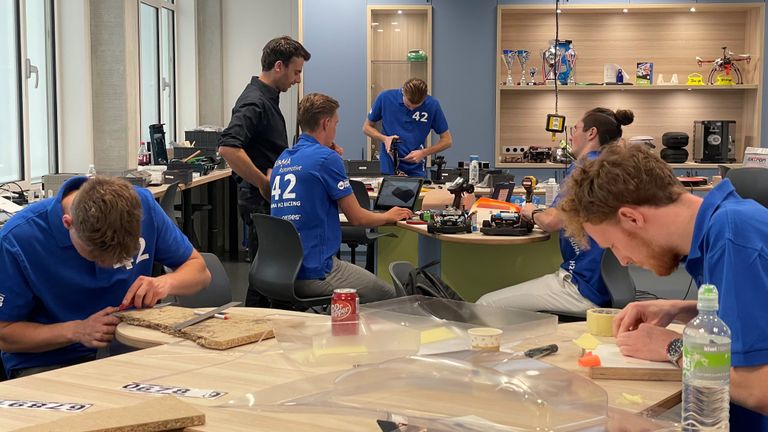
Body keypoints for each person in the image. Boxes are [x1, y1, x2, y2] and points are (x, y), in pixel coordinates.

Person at [557, 143, 768, 429]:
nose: (622, 260)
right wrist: (680, 310)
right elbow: (750, 321)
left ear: (632, 218)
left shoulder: (732, 237)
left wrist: (673, 347)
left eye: (614, 245)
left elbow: (759, 390)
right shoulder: (726, 225)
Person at [0, 176, 211, 379]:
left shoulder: (142, 204)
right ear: (68, 223)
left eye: (123, 257)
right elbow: (5, 334)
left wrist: (164, 283)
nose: (112, 267)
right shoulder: (17, 239)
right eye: (97, 256)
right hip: (51, 359)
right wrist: (77, 331)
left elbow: (199, 271)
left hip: (131, 345)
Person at [477, 108, 635, 313]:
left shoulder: (586, 168)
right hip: (605, 286)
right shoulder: (610, 167)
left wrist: (532, 212)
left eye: (575, 129)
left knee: (484, 305)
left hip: (582, 287)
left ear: (591, 133)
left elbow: (552, 222)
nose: (571, 136)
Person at [271, 93, 412, 303]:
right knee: (391, 297)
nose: (336, 130)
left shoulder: (283, 158)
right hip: (317, 271)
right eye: (336, 124)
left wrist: (330, 156)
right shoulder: (325, 158)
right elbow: (358, 219)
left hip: (281, 270)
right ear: (326, 123)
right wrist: (389, 216)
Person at [219, 36, 318, 307]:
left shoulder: (268, 99)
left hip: (268, 201)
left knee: (268, 277)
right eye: (296, 72)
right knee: (265, 279)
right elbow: (228, 148)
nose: (297, 79)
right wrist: (263, 182)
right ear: (278, 66)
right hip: (259, 201)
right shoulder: (255, 102)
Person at [362, 78, 452, 177]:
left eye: (417, 106)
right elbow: (366, 127)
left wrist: (423, 153)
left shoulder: (433, 105)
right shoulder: (385, 98)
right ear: (403, 92)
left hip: (416, 165)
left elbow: (447, 140)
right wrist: (384, 138)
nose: (412, 109)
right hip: (390, 163)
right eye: (409, 105)